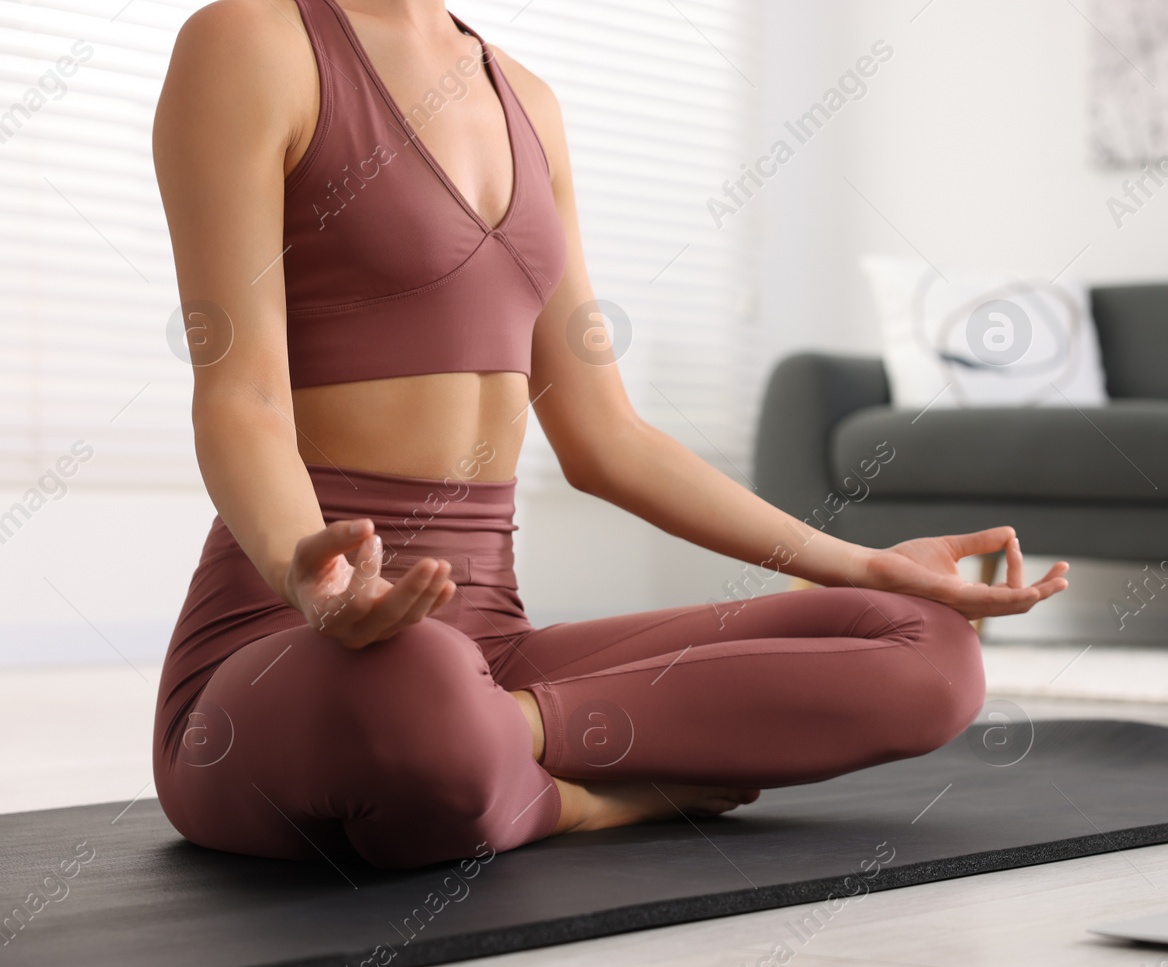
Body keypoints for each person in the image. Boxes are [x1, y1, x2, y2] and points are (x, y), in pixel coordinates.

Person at [149, 0, 1069, 869]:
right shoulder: (251, 42)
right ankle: (594, 797)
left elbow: (607, 437)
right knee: (422, 686)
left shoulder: (528, 102)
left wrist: (864, 565)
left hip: (491, 648)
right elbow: (243, 401)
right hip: (290, 645)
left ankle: (513, 742)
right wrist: (317, 584)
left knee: (931, 647)